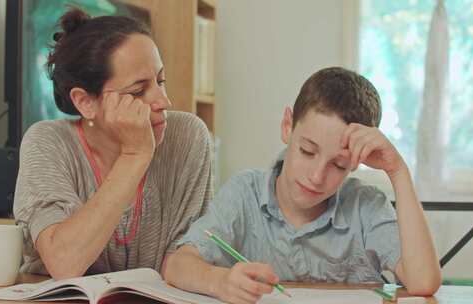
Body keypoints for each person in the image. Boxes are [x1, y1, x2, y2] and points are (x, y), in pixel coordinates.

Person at [165, 67, 442, 304]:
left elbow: (423, 282)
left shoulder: (366, 205)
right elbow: (176, 265)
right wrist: (221, 281)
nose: (317, 176)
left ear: (356, 162)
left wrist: (398, 170)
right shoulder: (243, 193)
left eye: (338, 165)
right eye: (308, 151)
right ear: (288, 126)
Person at [13, 8, 212, 279]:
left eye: (161, 81)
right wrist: (134, 155)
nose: (164, 102)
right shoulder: (47, 143)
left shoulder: (187, 138)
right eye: (138, 91)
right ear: (85, 102)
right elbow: (64, 262)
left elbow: (186, 256)